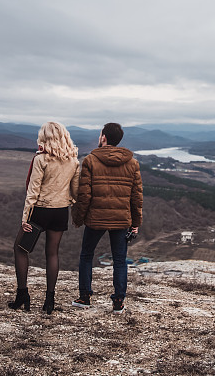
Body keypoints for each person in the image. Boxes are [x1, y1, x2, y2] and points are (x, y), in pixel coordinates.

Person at [9, 121, 80, 315]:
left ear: (45, 137)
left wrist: (25, 218)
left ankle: (22, 295)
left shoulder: (41, 159)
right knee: (52, 254)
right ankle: (49, 300)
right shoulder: (73, 160)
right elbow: (75, 190)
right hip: (60, 211)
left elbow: (33, 192)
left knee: (20, 249)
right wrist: (68, 201)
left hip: (39, 211)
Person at [71, 122, 143, 314]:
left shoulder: (90, 160)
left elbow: (84, 195)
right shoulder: (132, 163)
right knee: (120, 260)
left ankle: (85, 297)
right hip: (121, 220)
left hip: (96, 218)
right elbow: (136, 197)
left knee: (87, 255)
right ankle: (118, 301)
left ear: (103, 138)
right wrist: (135, 224)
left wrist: (78, 218)